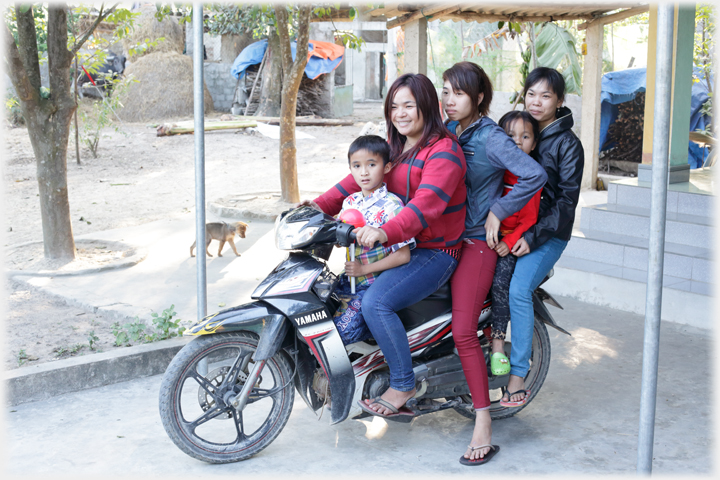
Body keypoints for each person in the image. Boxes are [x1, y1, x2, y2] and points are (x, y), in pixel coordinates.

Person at [302, 73, 467, 419]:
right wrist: (313, 209)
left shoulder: (444, 151)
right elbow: (354, 180)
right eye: (394, 106)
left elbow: (427, 205)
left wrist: (383, 231)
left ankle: (403, 383)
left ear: (427, 106)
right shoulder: (393, 148)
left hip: (433, 251)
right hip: (396, 243)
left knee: (376, 304)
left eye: (409, 105)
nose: (401, 113)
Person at [442, 62, 547, 465]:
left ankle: (483, 422)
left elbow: (533, 175)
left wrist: (498, 211)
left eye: (459, 93)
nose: (450, 100)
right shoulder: (450, 131)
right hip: (441, 240)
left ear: (480, 98)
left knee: (465, 330)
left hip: (476, 244)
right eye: (446, 91)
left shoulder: (491, 139)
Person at [502, 67, 584, 407]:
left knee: (518, 290)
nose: (537, 102)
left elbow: (565, 204)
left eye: (546, 96)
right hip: (512, 228)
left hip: (546, 235)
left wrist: (533, 237)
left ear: (559, 101)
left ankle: (518, 374)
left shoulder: (568, 145)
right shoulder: (524, 131)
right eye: (531, 94)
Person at [332, 135, 415, 345]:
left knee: (340, 334)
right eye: (357, 166)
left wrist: (363, 270)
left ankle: (375, 333)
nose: (364, 172)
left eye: (371, 164)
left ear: (386, 167)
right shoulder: (350, 202)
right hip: (348, 281)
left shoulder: (393, 206)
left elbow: (403, 255)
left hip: (372, 285)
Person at [489, 111, 543, 377]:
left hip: (509, 243)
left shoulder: (529, 177)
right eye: (510, 136)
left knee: (501, 284)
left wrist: (508, 242)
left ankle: (497, 342)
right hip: (487, 238)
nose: (517, 142)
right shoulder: (495, 171)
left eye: (525, 137)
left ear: (534, 144)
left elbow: (529, 219)